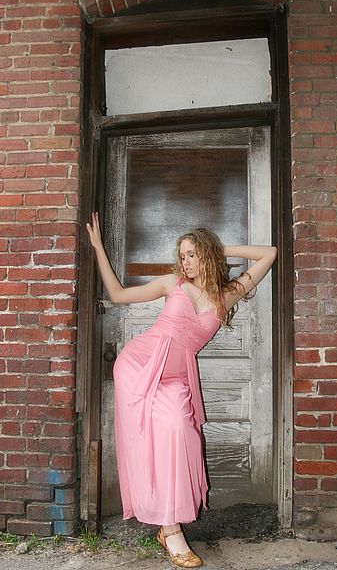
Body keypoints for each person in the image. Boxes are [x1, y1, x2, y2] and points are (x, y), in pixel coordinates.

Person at [86, 212, 277, 568]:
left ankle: (168, 523)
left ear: (206, 254)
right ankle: (170, 530)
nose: (186, 262)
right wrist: (99, 247)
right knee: (150, 442)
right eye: (183, 255)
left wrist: (220, 248)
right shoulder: (172, 283)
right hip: (139, 366)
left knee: (180, 432)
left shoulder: (227, 295)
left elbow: (270, 253)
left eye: (192, 254)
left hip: (175, 379)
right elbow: (117, 293)